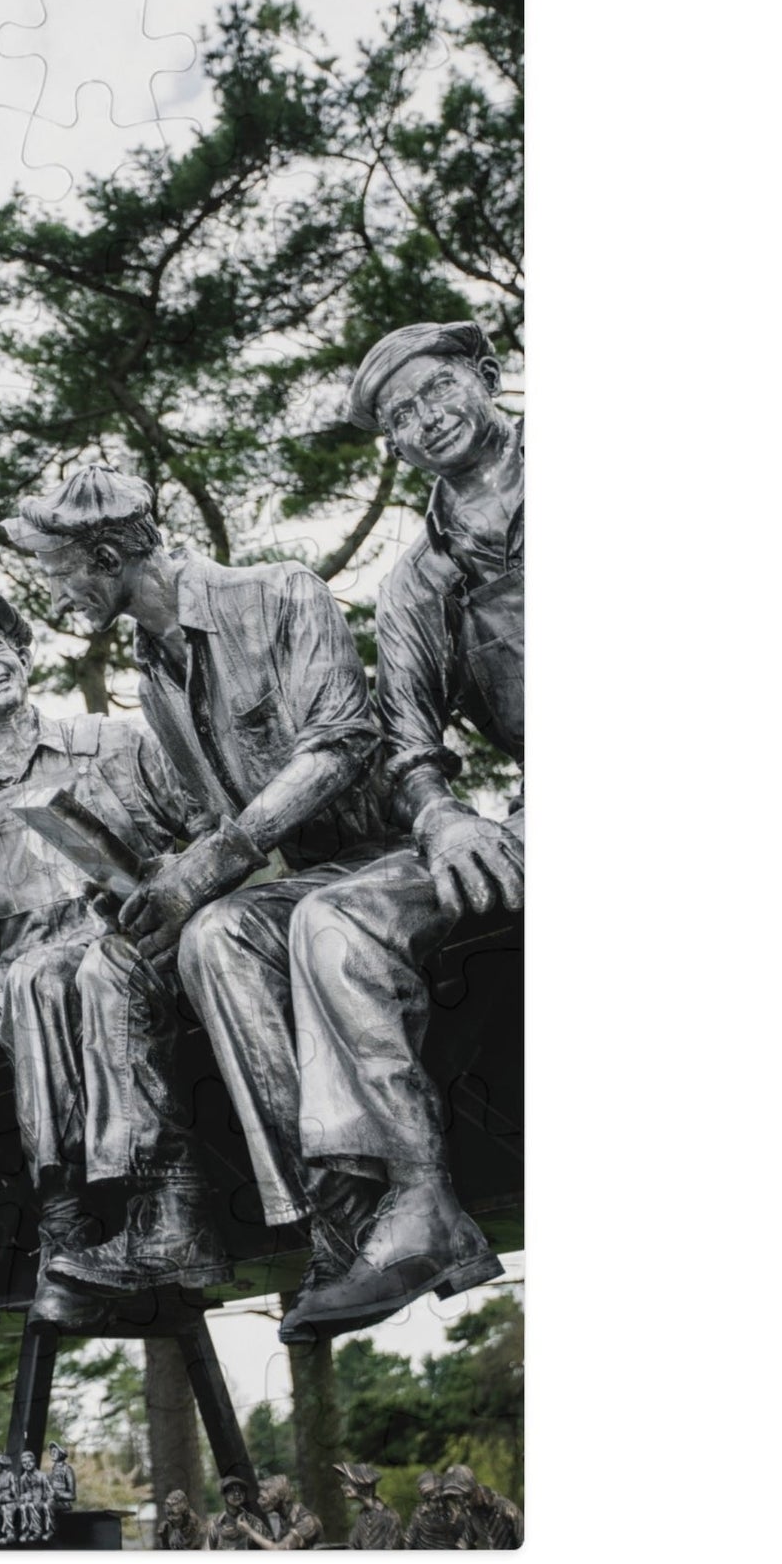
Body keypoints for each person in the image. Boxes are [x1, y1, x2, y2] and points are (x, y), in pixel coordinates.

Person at [4, 466, 397, 1300]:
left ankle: (345, 1224)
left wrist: (208, 871)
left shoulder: (279, 593)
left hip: (375, 865)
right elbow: (211, 822)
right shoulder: (154, 677)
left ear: (107, 553)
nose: (56, 597)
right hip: (273, 889)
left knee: (220, 933)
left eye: (59, 573)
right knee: (111, 961)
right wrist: (142, 882)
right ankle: (171, 1222)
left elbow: (341, 747)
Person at [281, 321, 519, 1338]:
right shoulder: (413, 582)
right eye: (398, 418)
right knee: (330, 919)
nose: (425, 420)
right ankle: (420, 1198)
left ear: (481, 373)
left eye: (434, 390)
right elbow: (405, 739)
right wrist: (439, 813)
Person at [0, 589, 194, 1329]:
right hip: (30, 984)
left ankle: (122, 1209)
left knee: (68, 974)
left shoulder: (114, 744)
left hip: (136, 946)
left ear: (27, 655)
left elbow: (199, 836)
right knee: (34, 978)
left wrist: (160, 883)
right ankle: (67, 1219)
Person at [447, 1462, 523, 1550]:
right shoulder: (473, 1514)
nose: (464, 1503)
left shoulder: (506, 1509)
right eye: (458, 1499)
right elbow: (465, 1541)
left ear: (474, 1490)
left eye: (466, 1497)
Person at [238, 1474, 323, 1550]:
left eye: (263, 1498)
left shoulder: (306, 1522)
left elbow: (278, 1550)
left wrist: (249, 1531)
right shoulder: (285, 1517)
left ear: (276, 1498)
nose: (259, 1501)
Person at [335, 1461, 405, 1550]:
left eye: (347, 1483)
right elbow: (353, 1546)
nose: (343, 1486)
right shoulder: (362, 1516)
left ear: (361, 1485)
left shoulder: (389, 1517)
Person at [405, 1468, 471, 1550]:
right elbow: (408, 1541)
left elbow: (466, 1540)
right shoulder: (420, 1515)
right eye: (434, 1500)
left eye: (442, 1498)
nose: (439, 1505)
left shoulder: (455, 1514)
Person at [205, 1476, 259, 1550]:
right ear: (224, 1494)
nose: (237, 1494)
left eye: (241, 1490)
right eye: (231, 1490)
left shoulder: (254, 1522)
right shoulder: (214, 1525)